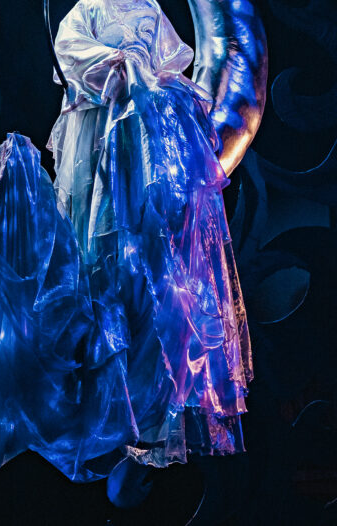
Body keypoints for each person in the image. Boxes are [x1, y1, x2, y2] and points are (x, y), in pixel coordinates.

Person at [47, 0, 253, 484]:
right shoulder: (85, 11)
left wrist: (156, 83)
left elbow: (172, 63)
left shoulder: (148, 8)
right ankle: (111, 398)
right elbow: (73, 58)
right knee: (106, 268)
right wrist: (122, 68)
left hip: (148, 155)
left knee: (160, 281)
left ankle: (158, 399)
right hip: (104, 146)